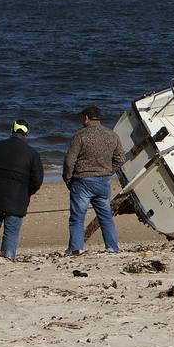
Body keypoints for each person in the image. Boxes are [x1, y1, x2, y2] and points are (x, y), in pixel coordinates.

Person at [62, 105, 124, 255]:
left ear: (86, 118)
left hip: (82, 180)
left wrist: (68, 178)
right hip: (103, 180)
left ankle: (76, 248)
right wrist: (109, 171)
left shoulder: (80, 135)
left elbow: (69, 161)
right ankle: (112, 247)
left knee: (77, 217)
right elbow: (121, 158)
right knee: (106, 216)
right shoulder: (112, 135)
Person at [0, 120, 45, 260]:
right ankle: (8, 256)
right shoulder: (32, 153)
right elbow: (37, 180)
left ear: (12, 130)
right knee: (12, 229)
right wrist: (28, 191)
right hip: (18, 197)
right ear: (27, 133)